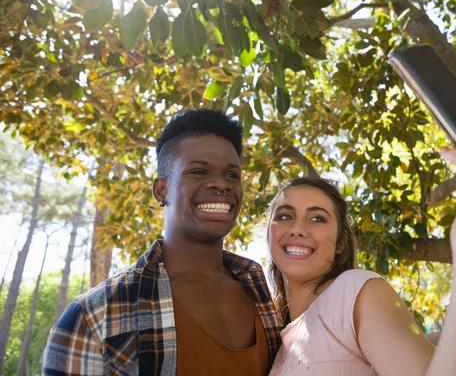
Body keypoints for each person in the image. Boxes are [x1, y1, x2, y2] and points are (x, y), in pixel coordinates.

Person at [266, 111, 456, 375]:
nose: (298, 229)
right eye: (285, 215)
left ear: (341, 243)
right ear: (269, 232)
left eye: (317, 219)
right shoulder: (273, 336)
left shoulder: (353, 292)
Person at [43, 109, 282, 375]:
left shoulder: (263, 295)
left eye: (232, 175)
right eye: (199, 171)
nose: (220, 184)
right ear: (161, 190)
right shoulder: (94, 317)